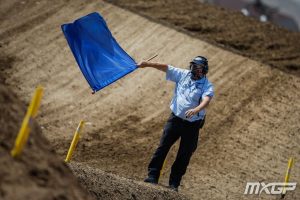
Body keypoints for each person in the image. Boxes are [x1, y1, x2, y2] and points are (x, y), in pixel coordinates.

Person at [138, 56, 214, 192]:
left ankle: (174, 184)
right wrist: (147, 64)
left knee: (184, 154)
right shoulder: (183, 75)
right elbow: (166, 67)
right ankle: (152, 175)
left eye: (199, 67)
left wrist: (196, 109)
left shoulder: (207, 85)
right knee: (162, 147)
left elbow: (206, 100)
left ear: (204, 70)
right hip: (175, 119)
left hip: (192, 125)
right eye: (194, 66)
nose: (195, 70)